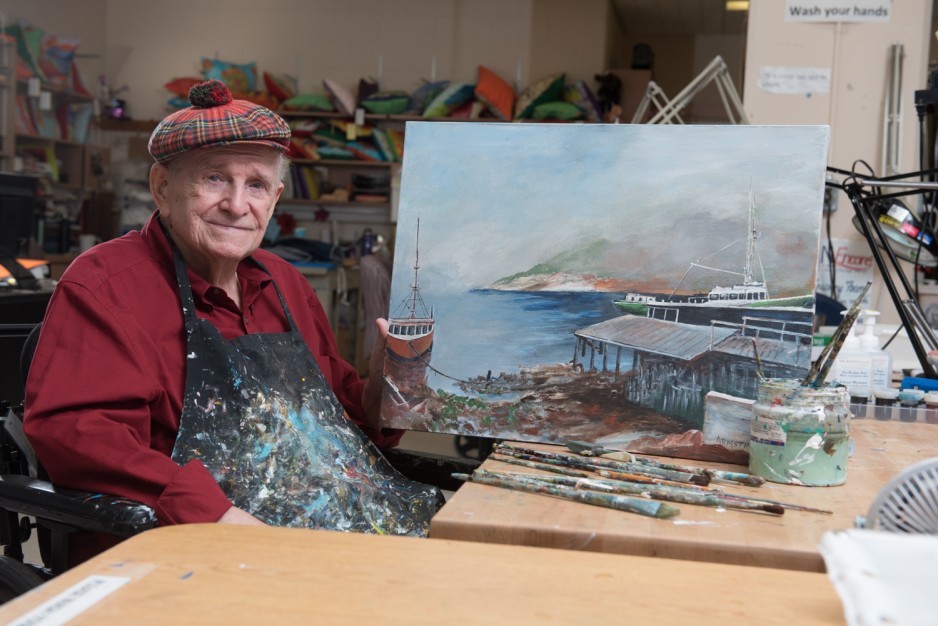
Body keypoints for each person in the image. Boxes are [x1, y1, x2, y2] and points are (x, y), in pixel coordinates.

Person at [24, 80, 441, 565]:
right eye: (215, 179)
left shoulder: (285, 282)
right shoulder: (104, 285)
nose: (238, 205)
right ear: (162, 186)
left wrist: (390, 382)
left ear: (276, 197)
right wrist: (216, 515)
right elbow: (78, 434)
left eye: (256, 185)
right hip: (184, 553)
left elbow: (342, 424)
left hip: (321, 533)